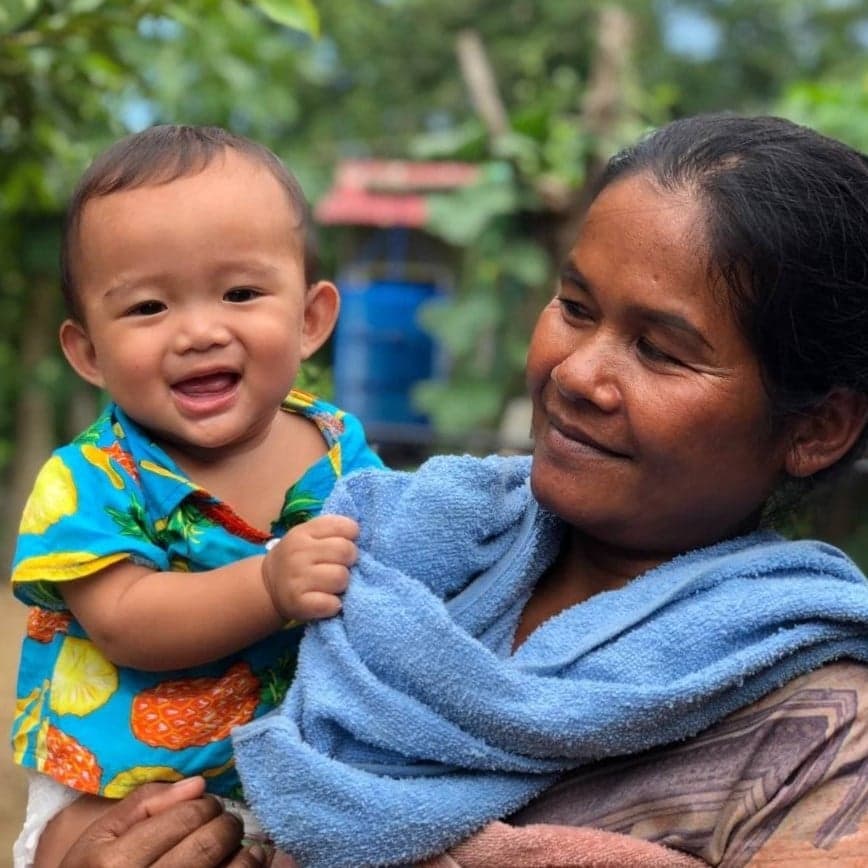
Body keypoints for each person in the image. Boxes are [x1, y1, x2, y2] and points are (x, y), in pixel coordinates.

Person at [51, 112, 868, 867]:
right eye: (575, 308)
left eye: (659, 350)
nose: (577, 374)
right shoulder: (408, 538)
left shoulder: (825, 740)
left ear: (818, 429)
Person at [9, 124, 383, 867]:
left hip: (297, 778)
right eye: (148, 308)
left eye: (241, 293)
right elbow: (123, 621)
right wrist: (270, 583)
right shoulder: (93, 478)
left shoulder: (340, 445)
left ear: (310, 319)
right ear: (88, 352)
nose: (200, 331)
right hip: (119, 784)